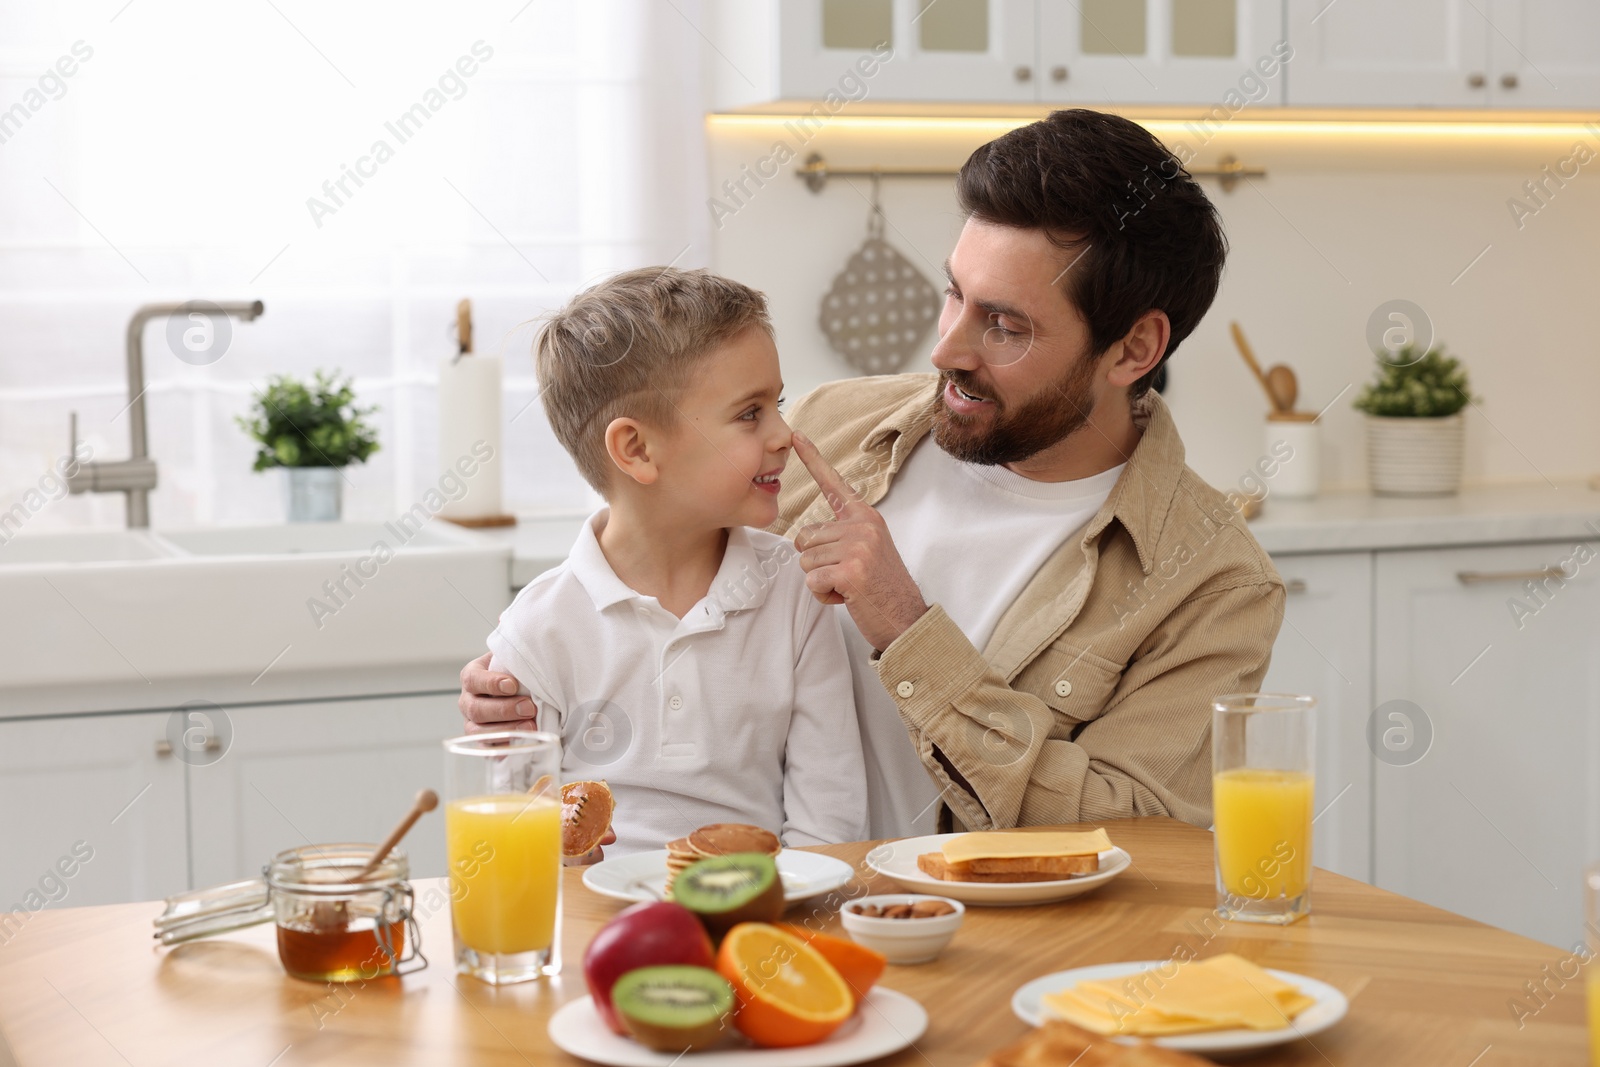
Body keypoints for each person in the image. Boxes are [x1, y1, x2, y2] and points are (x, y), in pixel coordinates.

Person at [460, 109, 1285, 843]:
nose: (945, 351)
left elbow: (1135, 837)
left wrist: (907, 626)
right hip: (778, 932)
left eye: (1003, 325)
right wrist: (534, 689)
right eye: (953, 295)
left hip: (993, 964)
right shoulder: (833, 423)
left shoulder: (1213, 582)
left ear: (1134, 350)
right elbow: (657, 554)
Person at [480, 267, 867, 858]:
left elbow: (830, 822)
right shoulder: (538, 629)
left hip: (760, 914)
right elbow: (518, 845)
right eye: (749, 414)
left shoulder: (795, 590)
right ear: (636, 450)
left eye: (777, 404)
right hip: (600, 929)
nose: (784, 434)